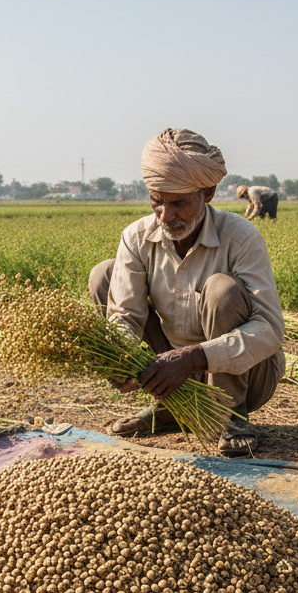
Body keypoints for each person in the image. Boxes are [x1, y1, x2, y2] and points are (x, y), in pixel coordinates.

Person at [89, 128, 285, 457]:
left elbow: (270, 330)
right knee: (104, 275)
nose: (165, 216)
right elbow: (124, 314)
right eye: (157, 201)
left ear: (207, 193)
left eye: (179, 203)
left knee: (221, 290)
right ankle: (172, 406)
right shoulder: (136, 237)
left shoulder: (240, 238)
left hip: (248, 376)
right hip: (171, 372)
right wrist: (121, 356)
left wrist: (194, 357)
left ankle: (230, 415)